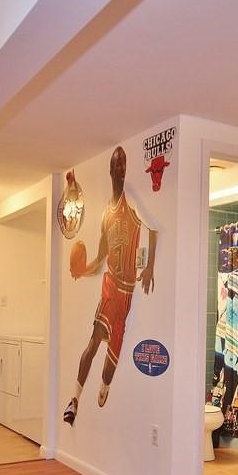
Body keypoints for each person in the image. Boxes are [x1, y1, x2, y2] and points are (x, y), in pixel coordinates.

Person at [64, 146, 158, 425]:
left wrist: (149, 266)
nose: (121, 169)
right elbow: (99, 257)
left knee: (110, 362)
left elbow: (153, 229)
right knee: (94, 340)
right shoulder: (106, 213)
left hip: (127, 291)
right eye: (117, 164)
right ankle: (74, 399)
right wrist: (82, 271)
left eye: (124, 164)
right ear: (110, 169)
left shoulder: (133, 204)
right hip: (110, 284)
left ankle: (104, 385)